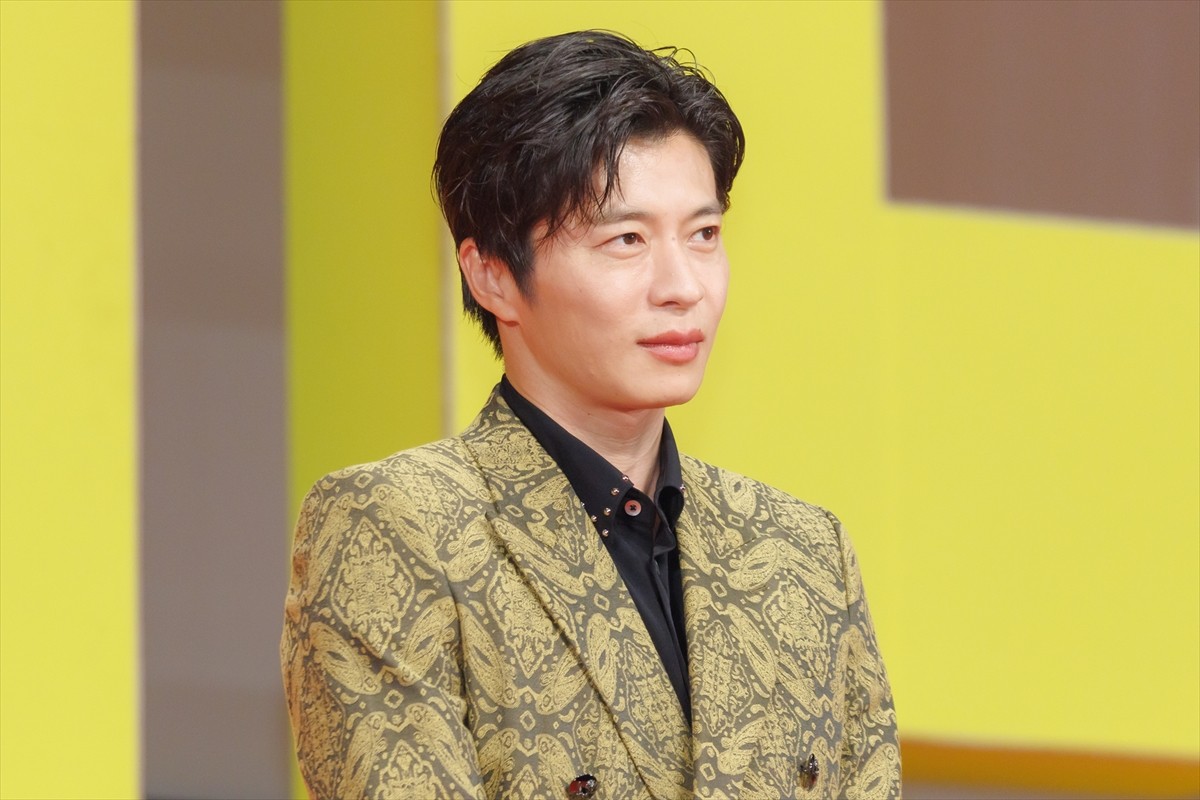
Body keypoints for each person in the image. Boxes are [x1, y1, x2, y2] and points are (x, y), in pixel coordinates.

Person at [281, 30, 899, 800]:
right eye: (626, 239)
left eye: (704, 235)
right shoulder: (398, 528)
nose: (683, 286)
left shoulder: (802, 554)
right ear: (493, 275)